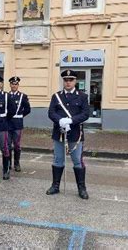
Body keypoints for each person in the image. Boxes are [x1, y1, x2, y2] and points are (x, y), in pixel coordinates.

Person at [46, 70, 90, 199]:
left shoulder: (82, 96)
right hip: (59, 133)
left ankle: (82, 188)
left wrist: (71, 120)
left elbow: (85, 114)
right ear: (63, 81)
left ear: (75, 81)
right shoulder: (56, 96)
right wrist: (59, 120)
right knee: (58, 160)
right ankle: (55, 185)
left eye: (71, 80)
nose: (68, 82)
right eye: (66, 80)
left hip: (75, 134)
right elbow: (51, 112)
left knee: (77, 161)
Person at [7, 76, 31, 172]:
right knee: (7, 145)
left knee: (17, 144)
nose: (14, 85)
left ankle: (17, 163)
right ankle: (8, 163)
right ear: (10, 85)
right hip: (8, 123)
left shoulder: (23, 96)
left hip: (17, 123)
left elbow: (28, 109)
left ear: (18, 85)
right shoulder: (6, 95)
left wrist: (20, 115)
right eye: (12, 84)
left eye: (16, 84)